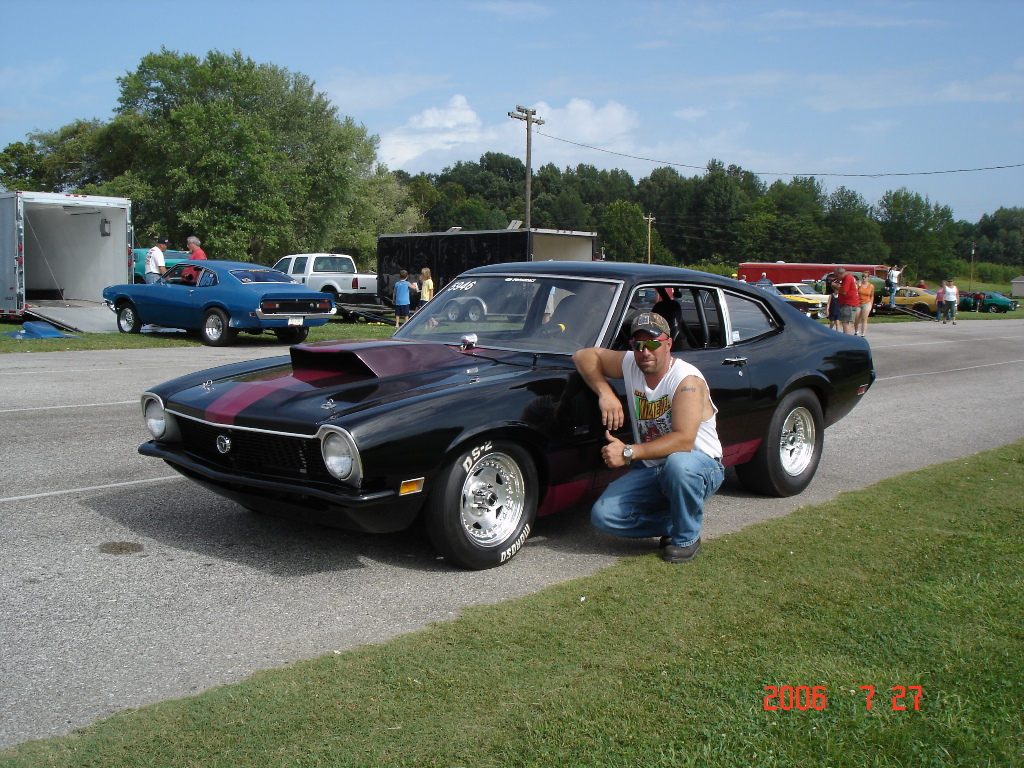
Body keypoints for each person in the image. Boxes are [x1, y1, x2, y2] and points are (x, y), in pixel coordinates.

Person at [571, 312, 724, 564]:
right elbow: (583, 356)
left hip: (699, 466)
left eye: (653, 343)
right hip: (653, 468)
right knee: (604, 516)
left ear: (668, 344)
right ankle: (677, 520)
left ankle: (686, 538)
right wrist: (605, 393)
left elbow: (683, 441)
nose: (645, 351)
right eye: (638, 344)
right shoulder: (631, 363)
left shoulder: (686, 380)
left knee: (678, 464)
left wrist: (628, 452)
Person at [834, 267, 859, 334]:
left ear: (841, 274)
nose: (836, 277)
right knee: (846, 322)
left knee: (845, 322)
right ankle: (848, 336)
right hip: (850, 302)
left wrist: (835, 286)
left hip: (848, 303)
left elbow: (844, 291)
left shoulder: (847, 278)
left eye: (836, 275)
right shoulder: (850, 277)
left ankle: (847, 337)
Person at [855, 272, 874, 337]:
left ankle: (863, 333)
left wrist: (871, 303)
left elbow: (872, 295)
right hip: (858, 303)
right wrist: (858, 286)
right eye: (863, 277)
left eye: (865, 277)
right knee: (857, 318)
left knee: (864, 318)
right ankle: (856, 331)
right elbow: (855, 292)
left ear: (868, 278)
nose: (864, 278)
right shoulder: (859, 284)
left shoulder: (871, 286)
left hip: (867, 303)